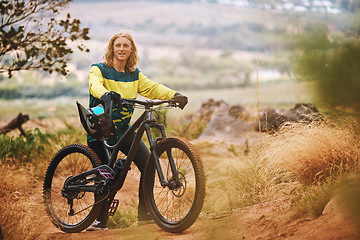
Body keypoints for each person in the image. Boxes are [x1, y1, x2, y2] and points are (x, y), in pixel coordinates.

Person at [86, 30, 188, 231]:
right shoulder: (99, 69)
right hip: (102, 132)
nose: (122, 49)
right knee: (107, 174)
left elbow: (152, 88)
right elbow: (93, 84)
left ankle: (145, 215)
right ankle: (99, 221)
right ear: (112, 48)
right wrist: (106, 94)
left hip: (123, 131)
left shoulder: (134, 74)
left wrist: (174, 94)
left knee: (148, 163)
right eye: (118, 45)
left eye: (126, 45)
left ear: (131, 49)